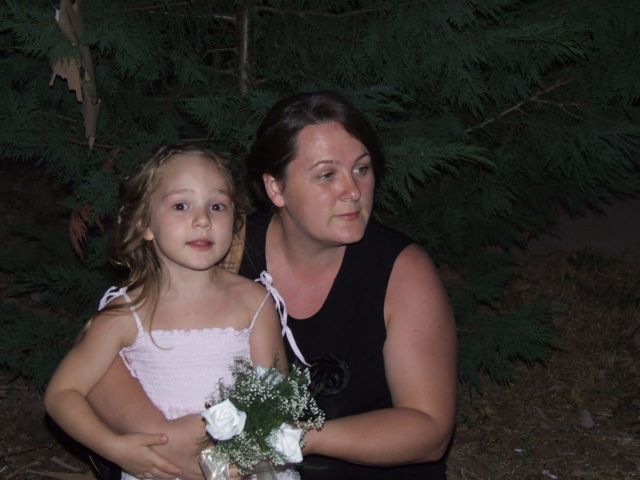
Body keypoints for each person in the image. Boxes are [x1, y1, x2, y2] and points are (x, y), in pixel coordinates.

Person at [88, 91, 458, 479]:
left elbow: (429, 429)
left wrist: (295, 437)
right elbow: (106, 355)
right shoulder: (221, 248)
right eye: (327, 175)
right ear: (275, 188)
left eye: (362, 169)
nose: (353, 191)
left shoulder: (401, 270)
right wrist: (162, 436)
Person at [44, 145, 288, 480]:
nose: (202, 220)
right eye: (181, 205)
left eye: (217, 206)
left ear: (235, 221)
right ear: (145, 223)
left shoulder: (254, 302)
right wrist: (114, 448)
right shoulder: (127, 314)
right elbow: (61, 394)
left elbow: (276, 399)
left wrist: (248, 455)